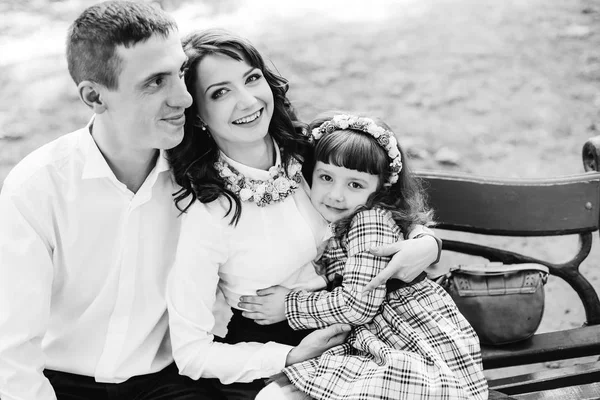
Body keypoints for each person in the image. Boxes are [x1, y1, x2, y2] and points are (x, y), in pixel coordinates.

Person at [165, 29, 442, 400]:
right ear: (197, 114)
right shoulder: (207, 213)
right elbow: (191, 354)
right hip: (279, 344)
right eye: (220, 92)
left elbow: (387, 203)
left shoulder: (313, 154)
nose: (247, 101)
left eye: (251, 79)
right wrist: (291, 356)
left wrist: (427, 243)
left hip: (370, 323)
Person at [244, 113, 489, 400]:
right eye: (326, 177)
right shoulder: (332, 220)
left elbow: (359, 304)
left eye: (355, 185)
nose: (336, 194)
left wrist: (288, 305)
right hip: (373, 337)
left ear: (381, 188)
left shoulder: (368, 220)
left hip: (405, 341)